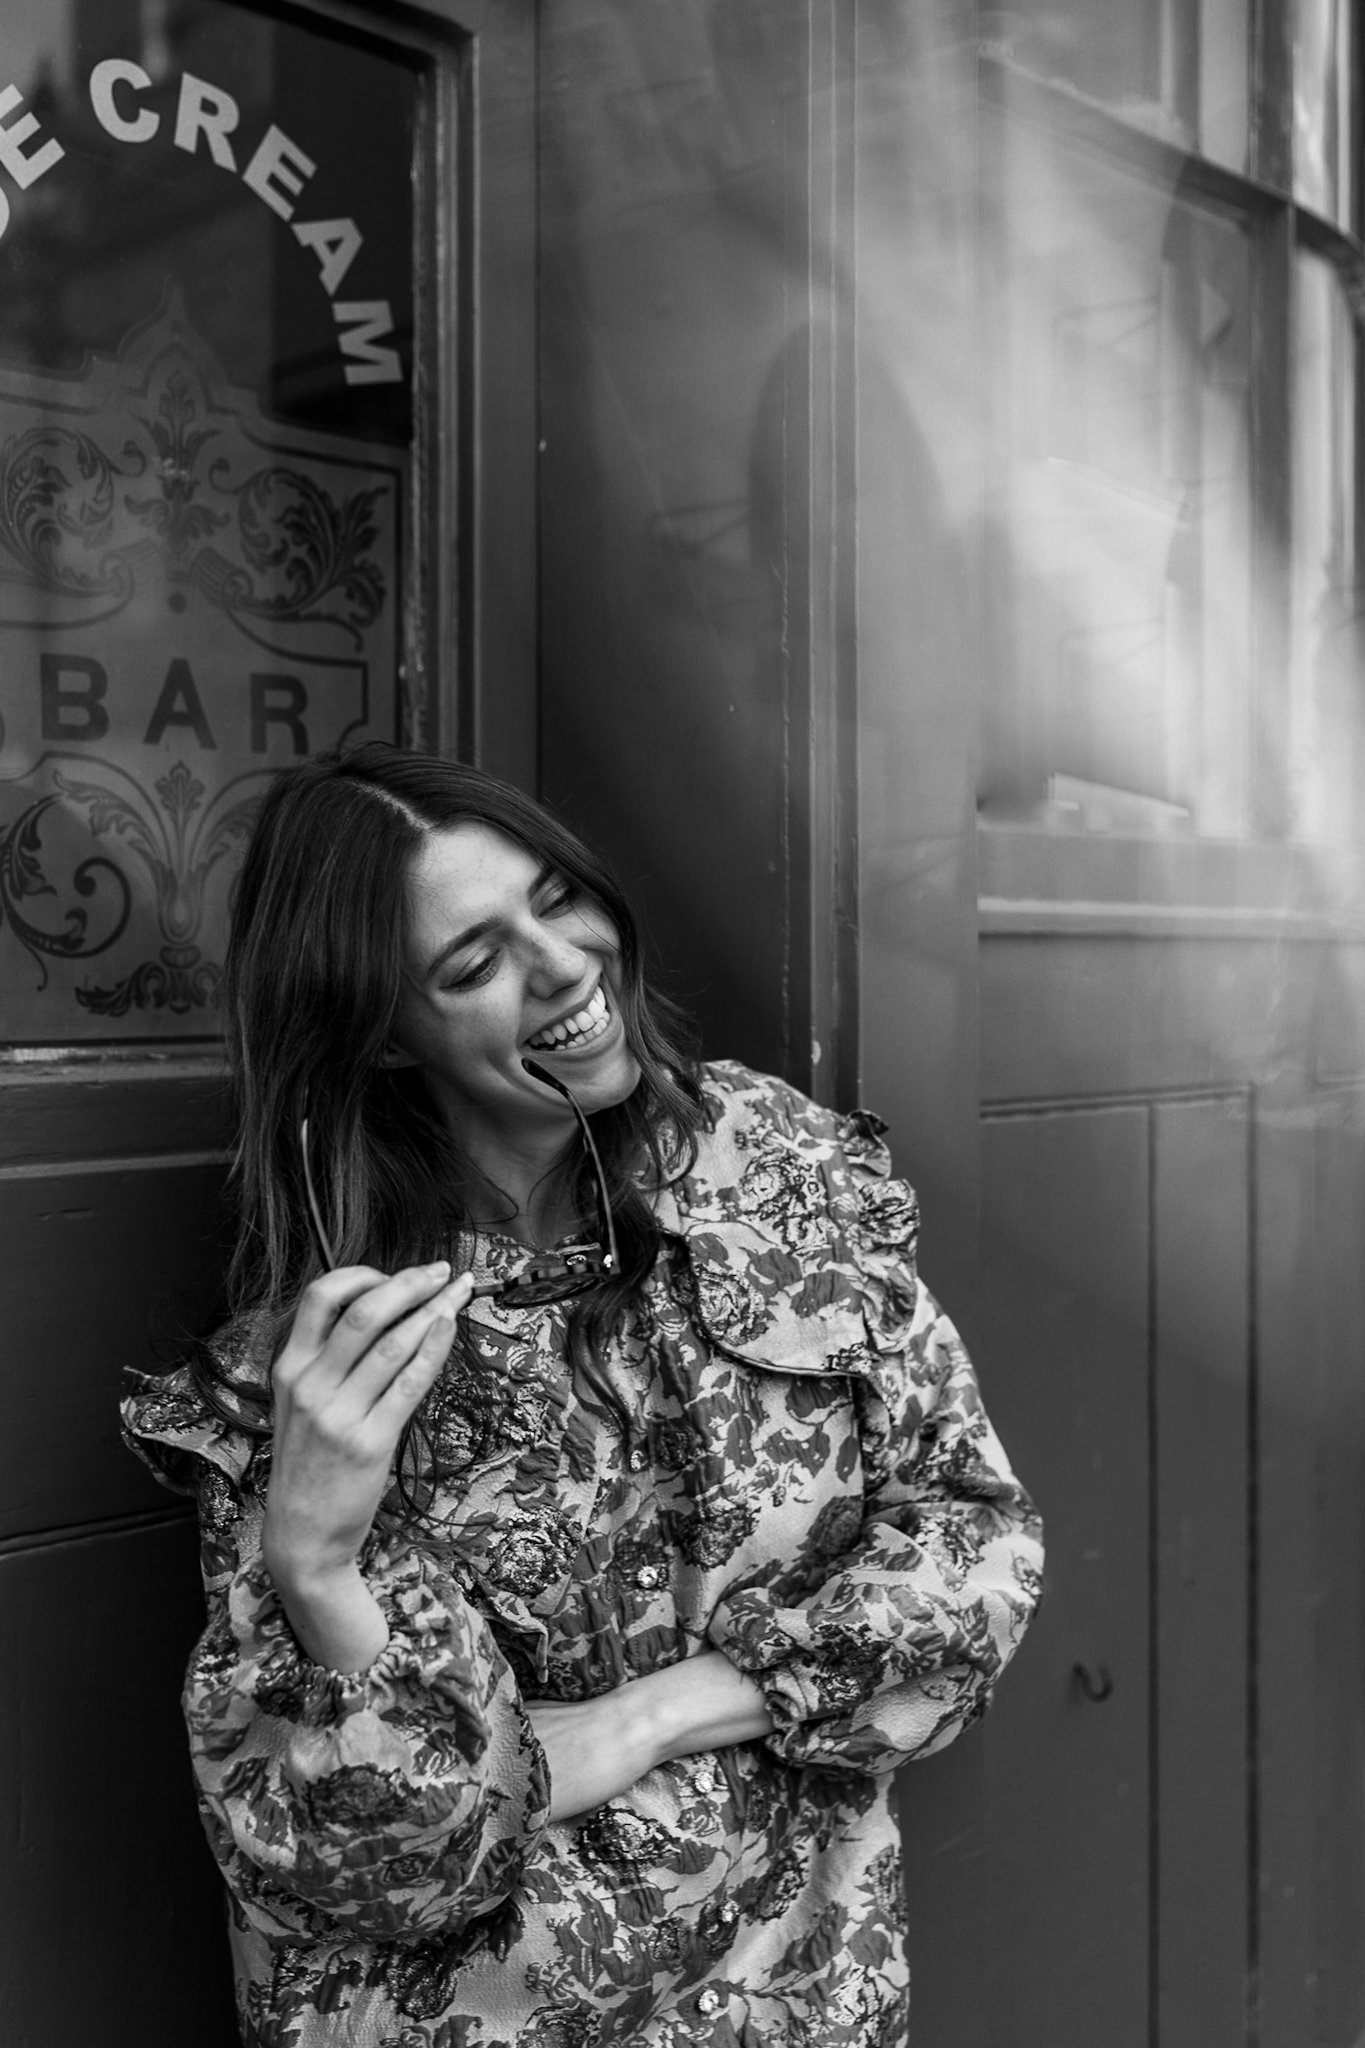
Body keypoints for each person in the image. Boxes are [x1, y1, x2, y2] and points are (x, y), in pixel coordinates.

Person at [122, 742, 1043, 2048]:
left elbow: (974, 1562)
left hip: (804, 1998)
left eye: (554, 899)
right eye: (471, 961)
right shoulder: (335, 1360)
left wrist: (639, 1719)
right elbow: (393, 1868)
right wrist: (320, 1563)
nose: (561, 968)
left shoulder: (767, 1171)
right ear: (386, 1034)